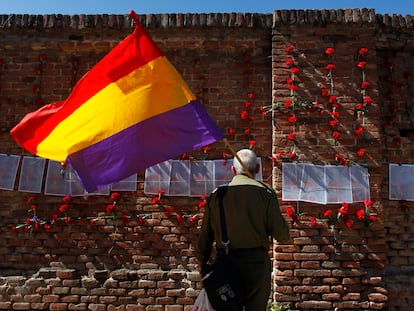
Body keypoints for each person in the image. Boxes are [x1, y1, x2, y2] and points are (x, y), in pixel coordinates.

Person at [195, 148, 291, 311]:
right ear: (258, 169)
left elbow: (205, 236)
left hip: (225, 263)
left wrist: (202, 262)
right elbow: (281, 234)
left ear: (233, 170)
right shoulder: (266, 193)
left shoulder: (217, 195)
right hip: (257, 266)